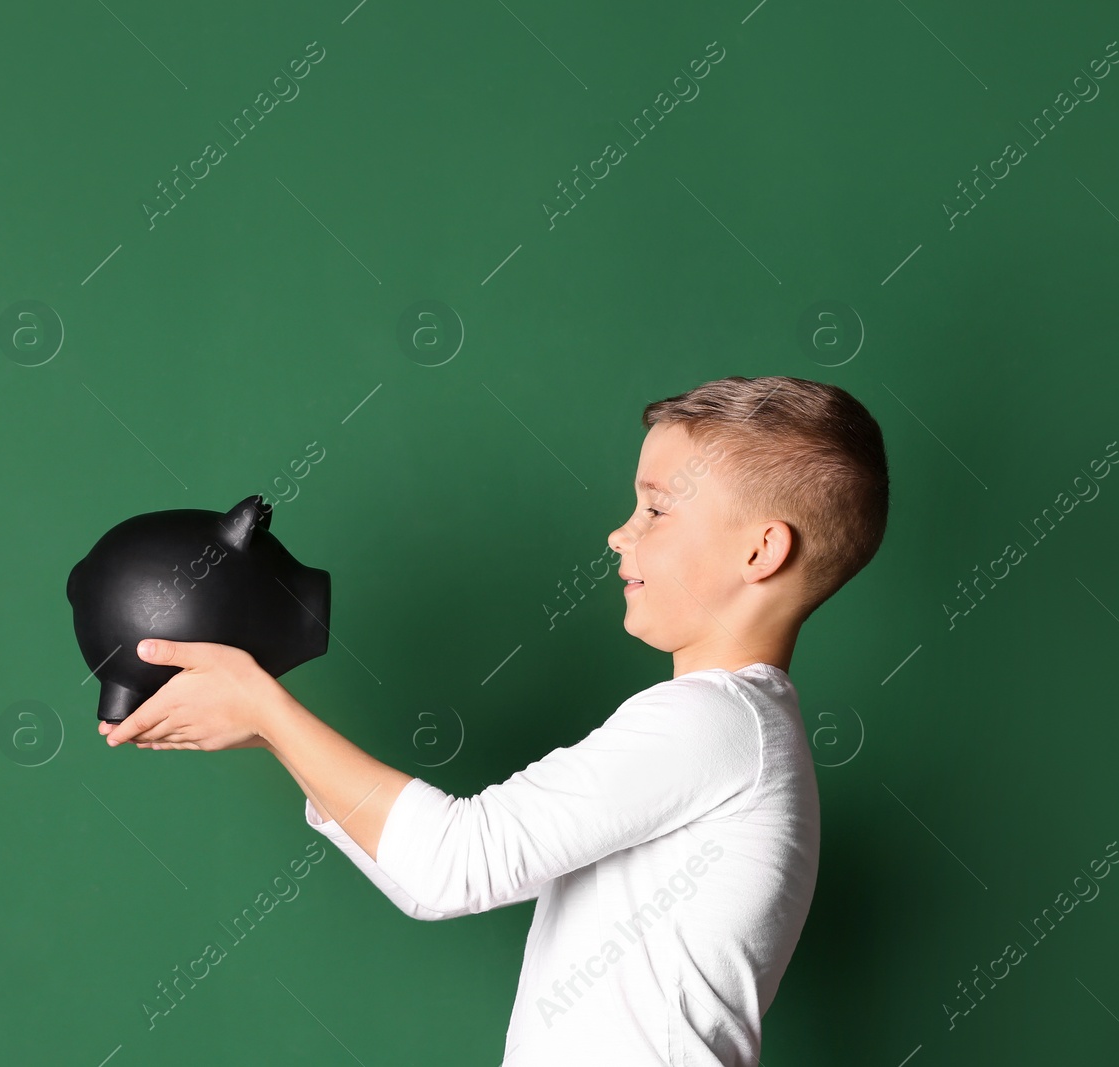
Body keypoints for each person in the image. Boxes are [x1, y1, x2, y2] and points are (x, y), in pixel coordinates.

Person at [100, 375, 890, 1065]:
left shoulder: (712, 724)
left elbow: (456, 861)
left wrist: (268, 708)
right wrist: (270, 730)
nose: (622, 532)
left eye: (657, 508)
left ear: (762, 551)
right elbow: (431, 879)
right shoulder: (726, 732)